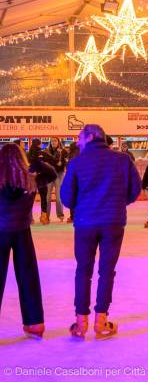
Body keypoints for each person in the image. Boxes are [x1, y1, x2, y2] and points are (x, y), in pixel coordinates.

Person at [60, 124, 142, 339]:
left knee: (83, 270)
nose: (77, 142)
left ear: (91, 137)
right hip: (113, 222)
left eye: (80, 138)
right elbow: (135, 191)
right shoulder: (123, 160)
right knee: (107, 271)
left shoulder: (77, 163)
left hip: (85, 223)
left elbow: (67, 198)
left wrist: (82, 207)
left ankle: (80, 322)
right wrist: (117, 203)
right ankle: (101, 320)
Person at [0, 144, 48, 338]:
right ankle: (35, 322)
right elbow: (51, 173)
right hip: (22, 230)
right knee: (28, 276)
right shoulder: (30, 180)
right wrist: (35, 162)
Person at [45, 137, 68, 222]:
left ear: (58, 142)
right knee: (47, 197)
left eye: (55, 141)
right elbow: (44, 162)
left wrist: (63, 164)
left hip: (59, 174)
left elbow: (66, 162)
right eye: (52, 141)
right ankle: (46, 216)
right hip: (49, 175)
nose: (53, 142)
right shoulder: (46, 151)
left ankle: (60, 215)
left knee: (58, 197)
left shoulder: (63, 151)